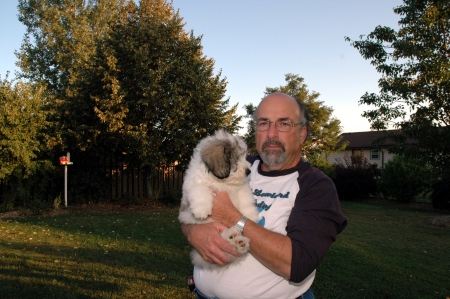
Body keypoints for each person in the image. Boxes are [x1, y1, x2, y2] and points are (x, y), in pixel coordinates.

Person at [181, 92, 347, 299]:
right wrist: (192, 231)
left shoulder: (315, 186)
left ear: (302, 133)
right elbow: (189, 204)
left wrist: (233, 217)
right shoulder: (238, 163)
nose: (271, 134)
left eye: (284, 123)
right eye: (263, 123)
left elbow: (297, 264)